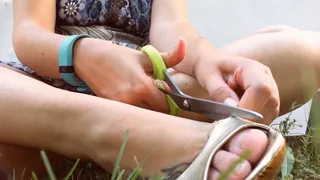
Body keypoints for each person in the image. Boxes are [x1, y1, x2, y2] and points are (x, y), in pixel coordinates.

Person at [0, 0, 319, 179]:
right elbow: (29, 35)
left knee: (300, 51)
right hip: (44, 93)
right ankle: (122, 133)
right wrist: (82, 53)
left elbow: (172, 30)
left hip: (152, 93)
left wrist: (210, 63)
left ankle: (141, 136)